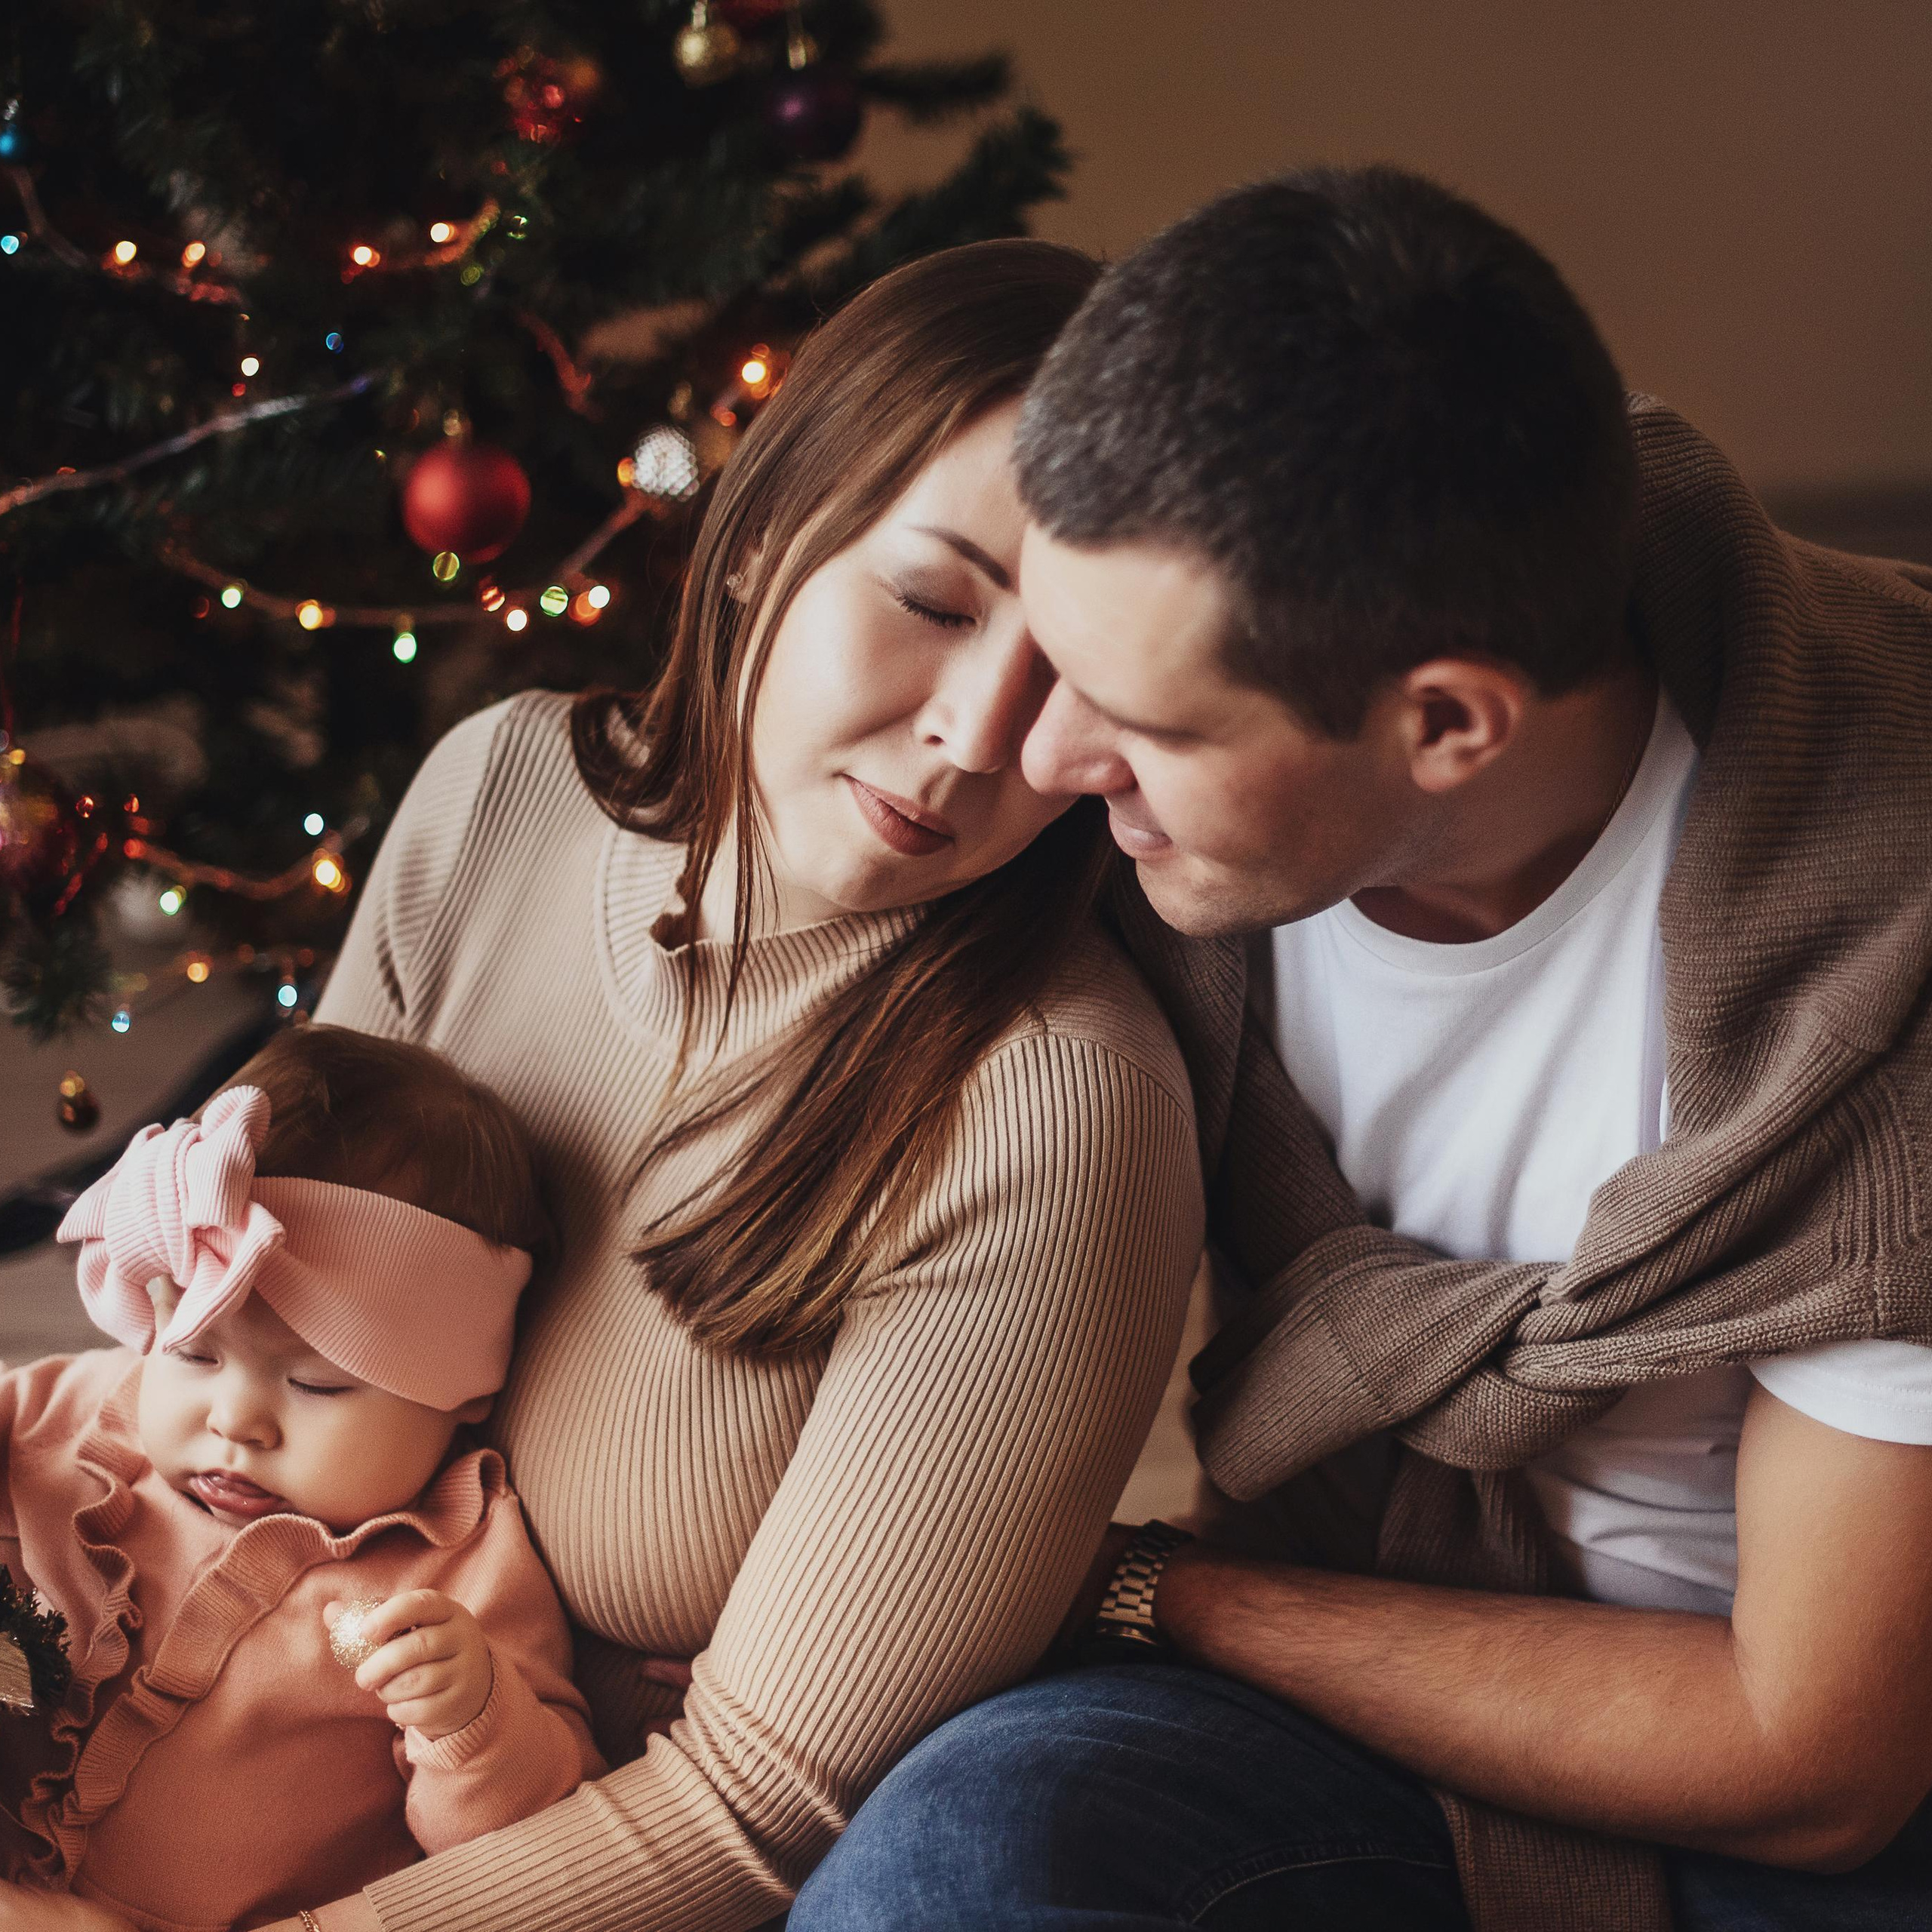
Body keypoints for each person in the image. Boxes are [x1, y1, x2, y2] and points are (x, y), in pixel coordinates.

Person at [0, 238, 1204, 1932]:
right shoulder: (498, 791)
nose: (975, 734)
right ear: (761, 538)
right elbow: (237, 1338)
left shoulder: (1049, 1104)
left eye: (1076, 669)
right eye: (931, 601)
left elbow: (756, 1806)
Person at [792, 168, 1932, 1931]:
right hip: (1343, 1657)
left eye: (1145, 716)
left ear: (1446, 723)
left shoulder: (1880, 967)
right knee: (956, 1854)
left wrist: (1155, 1592)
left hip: (1804, 1775)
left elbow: (1812, 1756)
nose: (1045, 750)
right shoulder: (1163, 801)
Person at [0, 1025, 601, 1929]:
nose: (236, 1418)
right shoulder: (64, 1413)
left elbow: (520, 1860)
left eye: (315, 1382)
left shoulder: (459, 1578)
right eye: (195, 1352)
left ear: (459, 1391)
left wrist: (473, 1722)